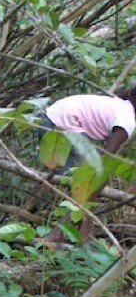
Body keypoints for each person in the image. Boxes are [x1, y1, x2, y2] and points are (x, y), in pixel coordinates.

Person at [41, 89, 136, 241]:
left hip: (50, 118)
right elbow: (104, 164)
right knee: (86, 185)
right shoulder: (127, 121)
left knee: (83, 185)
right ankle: (57, 235)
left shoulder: (120, 105)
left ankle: (76, 233)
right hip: (64, 126)